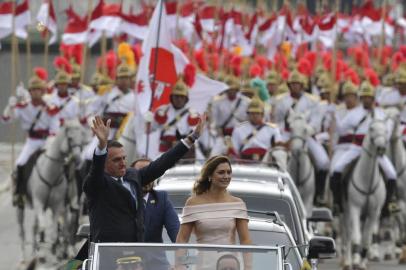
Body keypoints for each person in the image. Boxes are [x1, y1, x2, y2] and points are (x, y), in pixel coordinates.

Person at [83, 114, 204, 243]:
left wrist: (191, 138)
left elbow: (162, 163)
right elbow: (95, 171)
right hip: (109, 254)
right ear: (105, 163)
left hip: (138, 253)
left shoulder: (133, 176)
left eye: (124, 158)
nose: (123, 163)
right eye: (116, 160)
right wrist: (101, 147)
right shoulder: (97, 184)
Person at [176, 155, 251, 269]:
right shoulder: (193, 203)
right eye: (221, 172)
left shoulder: (238, 203)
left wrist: (248, 267)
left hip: (230, 266)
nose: (226, 176)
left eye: (229, 172)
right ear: (210, 175)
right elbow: (182, 239)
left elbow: (245, 240)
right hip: (203, 265)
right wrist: (179, 266)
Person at [1, 73, 59, 207]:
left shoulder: (50, 107)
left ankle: (65, 195)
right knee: (20, 164)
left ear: (43, 91)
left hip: (47, 142)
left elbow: (55, 128)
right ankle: (19, 194)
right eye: (33, 90)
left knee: (61, 161)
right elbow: (6, 119)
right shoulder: (23, 107)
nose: (36, 92)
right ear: (30, 92)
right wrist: (9, 107)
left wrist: (50, 141)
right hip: (32, 142)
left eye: (38, 89)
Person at [131, 158, 180, 243]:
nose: (147, 178)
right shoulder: (121, 199)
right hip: (127, 255)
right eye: (142, 174)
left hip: (154, 255)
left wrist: (182, 252)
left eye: (151, 174)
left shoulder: (161, 198)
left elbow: (175, 230)